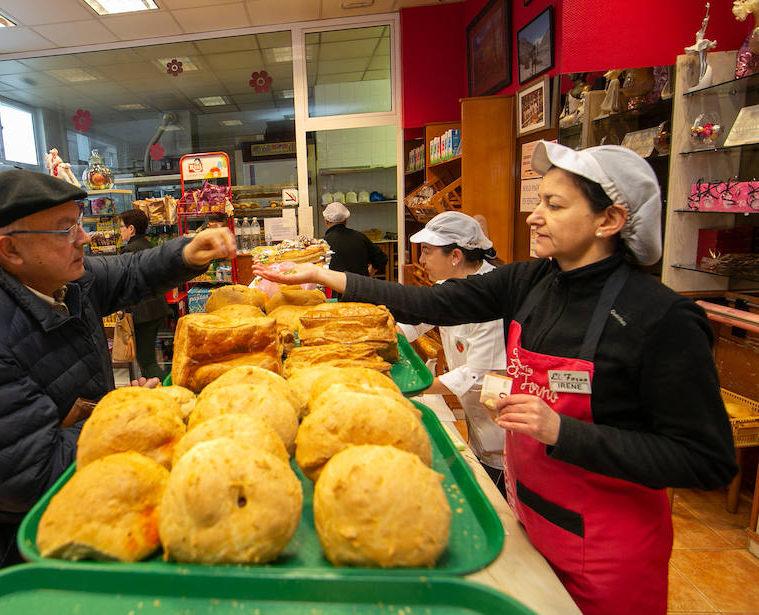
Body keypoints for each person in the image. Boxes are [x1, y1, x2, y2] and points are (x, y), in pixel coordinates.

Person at [255, 142, 739, 615]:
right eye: (538, 202)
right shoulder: (530, 281)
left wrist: (562, 431)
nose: (534, 216)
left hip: (608, 553)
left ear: (609, 220)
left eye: (553, 205)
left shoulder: (662, 318)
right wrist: (321, 277)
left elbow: (705, 460)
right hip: (524, 514)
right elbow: (431, 303)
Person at [0, 169, 235, 582]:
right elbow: (26, 476)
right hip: (20, 545)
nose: (83, 237)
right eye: (65, 229)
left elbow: (127, 271)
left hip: (80, 504)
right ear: (10, 248)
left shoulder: (54, 278)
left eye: (79, 221)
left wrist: (187, 253)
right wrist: (126, 414)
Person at [397, 212, 507, 495]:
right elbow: (416, 320)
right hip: (474, 418)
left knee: (498, 489)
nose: (421, 260)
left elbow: (480, 373)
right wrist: (383, 335)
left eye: (427, 252)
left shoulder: (492, 296)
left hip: (502, 427)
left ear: (455, 256)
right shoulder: (450, 287)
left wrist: (413, 388)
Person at [118, 208, 173, 379]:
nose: (120, 231)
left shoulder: (128, 251)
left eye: (121, 227)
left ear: (131, 229)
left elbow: (127, 285)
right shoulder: (150, 246)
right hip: (157, 309)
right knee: (150, 358)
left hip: (143, 314)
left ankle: (167, 390)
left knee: (147, 362)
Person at [322, 201, 388, 278]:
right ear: (345, 220)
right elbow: (381, 259)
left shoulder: (324, 244)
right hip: (361, 287)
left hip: (335, 288)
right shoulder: (360, 237)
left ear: (326, 221)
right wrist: (370, 271)